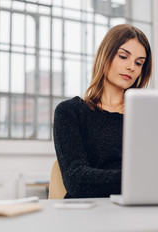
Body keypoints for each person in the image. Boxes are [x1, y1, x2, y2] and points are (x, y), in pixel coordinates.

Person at [53, 24, 152, 198]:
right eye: (123, 56)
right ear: (105, 56)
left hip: (138, 208)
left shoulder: (146, 117)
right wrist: (139, 179)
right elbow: (77, 181)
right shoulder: (70, 112)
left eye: (139, 63)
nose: (132, 67)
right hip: (89, 213)